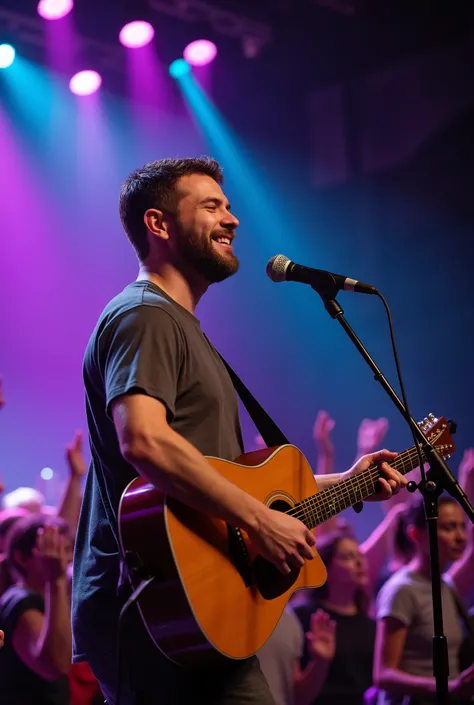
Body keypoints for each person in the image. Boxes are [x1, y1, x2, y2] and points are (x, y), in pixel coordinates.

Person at [71, 156, 406, 705]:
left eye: (227, 206)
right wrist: (259, 522)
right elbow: (144, 441)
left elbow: (228, 485)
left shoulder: (184, 329)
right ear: (158, 224)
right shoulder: (144, 315)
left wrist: (349, 480)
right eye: (211, 207)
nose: (233, 220)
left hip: (201, 602)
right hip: (152, 607)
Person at [374, 493, 474, 705]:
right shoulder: (402, 590)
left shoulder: (446, 586)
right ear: (415, 535)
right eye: (448, 528)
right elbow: (383, 674)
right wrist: (447, 687)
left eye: (461, 526)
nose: (461, 537)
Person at [294, 530, 376, 705]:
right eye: (348, 557)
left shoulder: (371, 624)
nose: (360, 562)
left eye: (360, 555)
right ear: (326, 568)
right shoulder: (304, 615)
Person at [0, 513, 72, 705]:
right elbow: (55, 666)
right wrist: (55, 580)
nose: (66, 559)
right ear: (22, 558)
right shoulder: (21, 602)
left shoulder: (43, 598)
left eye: (66, 550)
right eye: (55, 551)